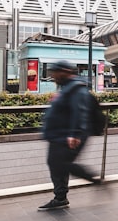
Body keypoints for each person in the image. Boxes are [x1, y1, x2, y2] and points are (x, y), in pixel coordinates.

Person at [39, 60, 100, 210]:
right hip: (60, 134)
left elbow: (80, 112)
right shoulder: (67, 88)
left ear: (65, 72)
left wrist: (75, 134)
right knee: (57, 164)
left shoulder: (77, 89)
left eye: (55, 72)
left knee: (60, 164)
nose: (53, 76)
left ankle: (93, 179)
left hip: (66, 135)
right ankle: (60, 197)